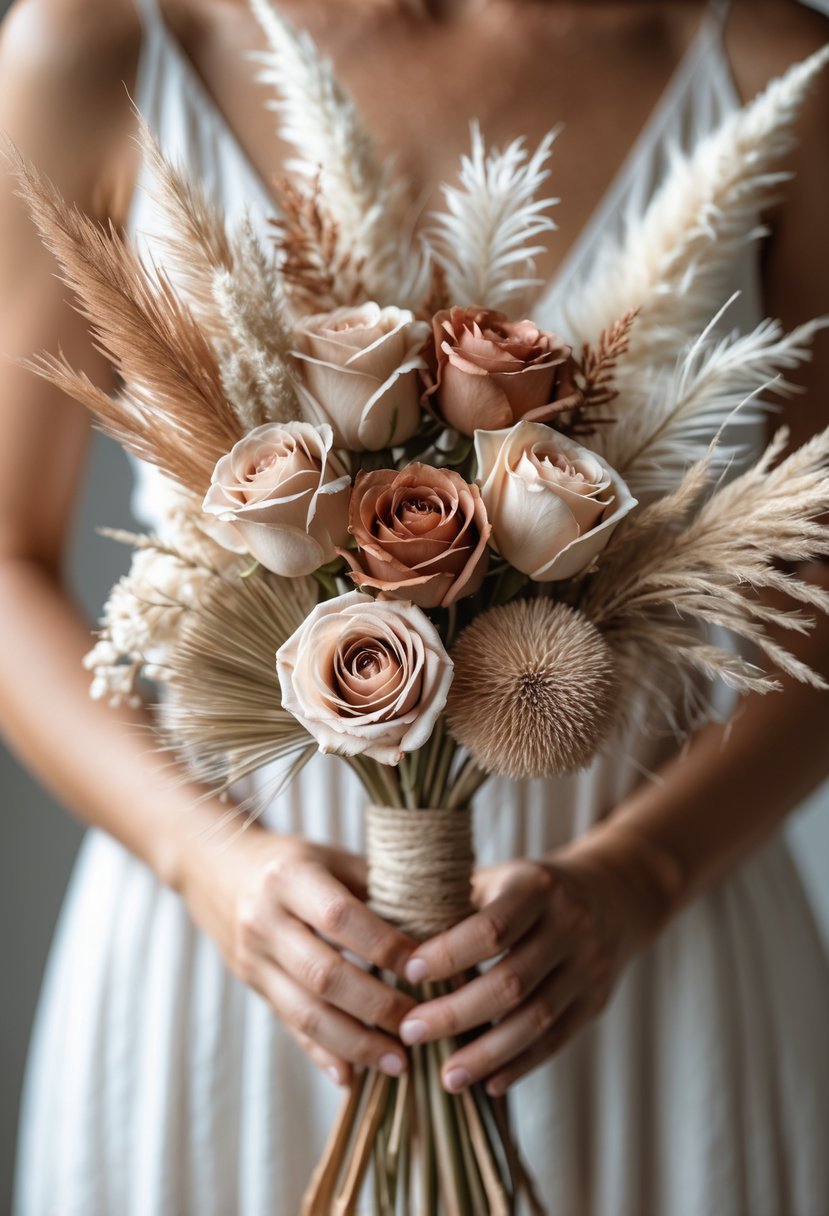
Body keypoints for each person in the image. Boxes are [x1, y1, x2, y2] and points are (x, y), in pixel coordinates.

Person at [1, 0, 828, 1212]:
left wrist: (641, 875)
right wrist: (208, 864)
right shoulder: (97, 42)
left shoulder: (773, 65)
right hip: (239, 946)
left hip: (646, 943)